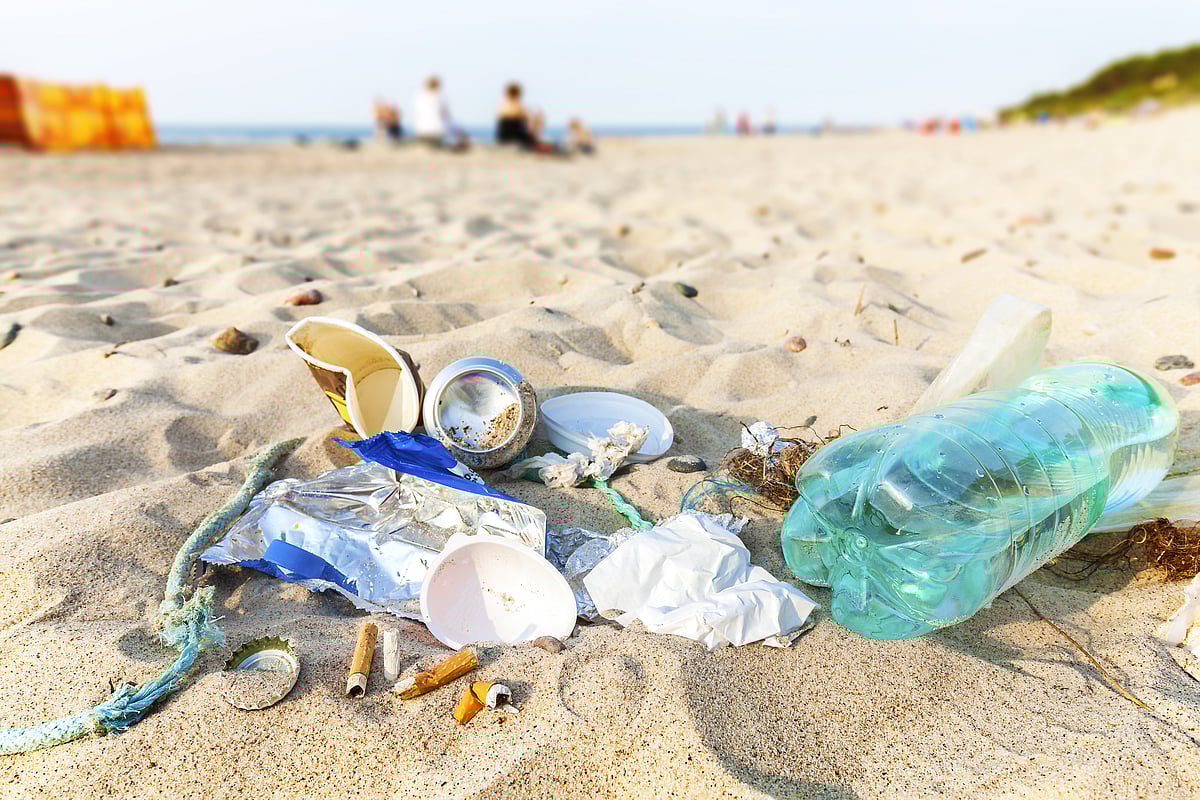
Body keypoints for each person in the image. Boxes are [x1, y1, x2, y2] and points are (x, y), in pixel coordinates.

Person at [412, 75, 469, 151]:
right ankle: (461, 145)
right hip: (438, 130)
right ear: (438, 85)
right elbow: (447, 115)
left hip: (421, 130)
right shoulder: (441, 97)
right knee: (458, 127)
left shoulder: (419, 97)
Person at [495, 82, 549, 151]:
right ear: (519, 93)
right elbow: (529, 121)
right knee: (536, 122)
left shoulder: (502, 106)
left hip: (502, 137)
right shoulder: (518, 106)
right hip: (516, 137)